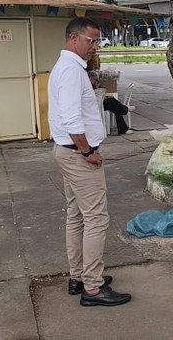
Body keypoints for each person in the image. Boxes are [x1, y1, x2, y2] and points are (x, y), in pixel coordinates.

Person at [48, 17, 131, 307]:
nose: (95, 46)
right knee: (96, 218)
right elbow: (72, 120)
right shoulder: (71, 71)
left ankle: (79, 276)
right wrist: (87, 153)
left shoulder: (68, 68)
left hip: (67, 151)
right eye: (90, 40)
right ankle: (93, 288)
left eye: (97, 41)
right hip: (77, 153)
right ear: (73, 38)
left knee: (77, 215)